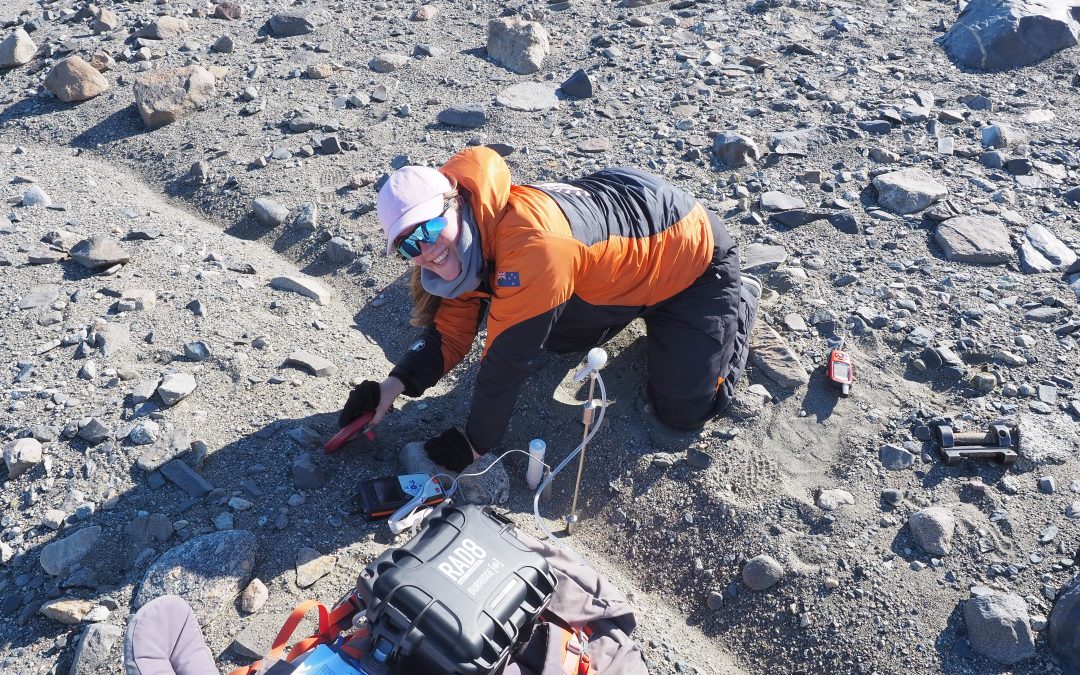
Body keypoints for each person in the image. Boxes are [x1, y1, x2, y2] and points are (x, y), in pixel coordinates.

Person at [339, 146, 758, 472]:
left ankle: (740, 298)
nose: (426, 250)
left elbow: (505, 365)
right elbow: (450, 333)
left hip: (690, 257)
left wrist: (474, 444)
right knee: (550, 334)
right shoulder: (473, 238)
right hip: (620, 246)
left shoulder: (533, 247)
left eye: (429, 229)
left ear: (457, 203)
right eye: (409, 245)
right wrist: (391, 388)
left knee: (684, 413)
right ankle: (627, 300)